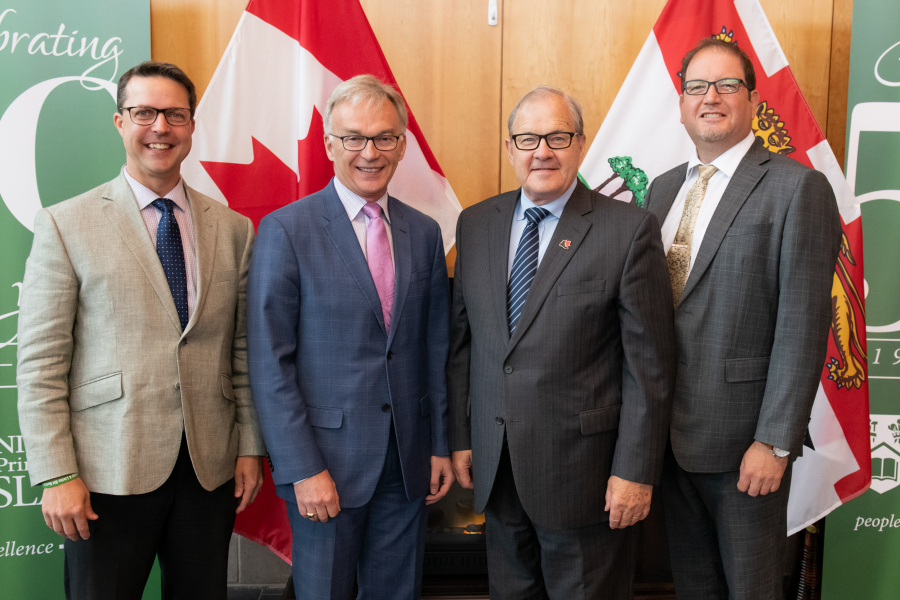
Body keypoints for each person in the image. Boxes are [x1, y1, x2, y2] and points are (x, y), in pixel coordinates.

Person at [16, 61, 266, 599]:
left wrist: (249, 446)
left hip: (208, 469)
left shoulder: (233, 229)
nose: (160, 127)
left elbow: (242, 351)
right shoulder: (66, 223)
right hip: (106, 469)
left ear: (192, 126)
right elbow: (40, 363)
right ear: (119, 122)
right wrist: (57, 474)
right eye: (144, 112)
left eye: (175, 114)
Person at [448, 85, 676, 599]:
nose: (541, 151)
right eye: (527, 138)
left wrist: (634, 472)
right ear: (510, 148)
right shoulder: (477, 224)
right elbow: (464, 347)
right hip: (499, 470)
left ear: (579, 144)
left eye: (556, 136)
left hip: (586, 480)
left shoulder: (628, 230)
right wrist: (463, 437)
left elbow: (650, 368)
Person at [644, 38, 842, 599]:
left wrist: (774, 442)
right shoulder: (662, 190)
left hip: (744, 447)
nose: (711, 97)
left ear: (752, 100)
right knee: (694, 587)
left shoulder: (796, 187)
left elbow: (804, 325)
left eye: (727, 85)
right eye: (697, 87)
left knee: (752, 590)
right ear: (682, 103)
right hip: (668, 441)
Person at [247, 74, 453, 600]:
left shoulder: (424, 233)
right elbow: (271, 363)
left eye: (384, 137)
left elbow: (433, 347)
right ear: (330, 144)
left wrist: (437, 445)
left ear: (402, 145)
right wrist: (301, 468)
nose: (370, 152)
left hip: (405, 466)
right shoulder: (286, 230)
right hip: (325, 465)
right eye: (354, 137)